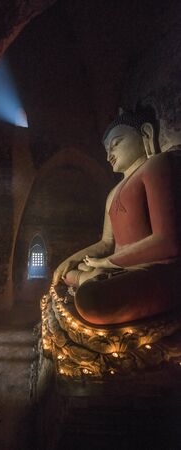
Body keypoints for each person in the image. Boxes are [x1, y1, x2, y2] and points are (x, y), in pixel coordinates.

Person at [53, 110, 181, 325]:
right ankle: (92, 277)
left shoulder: (157, 165)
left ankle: (92, 279)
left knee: (92, 300)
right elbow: (107, 242)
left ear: (146, 134)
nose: (108, 155)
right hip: (120, 269)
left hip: (153, 267)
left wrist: (107, 263)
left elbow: (167, 242)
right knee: (70, 274)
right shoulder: (112, 193)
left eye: (116, 143)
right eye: (106, 150)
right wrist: (70, 260)